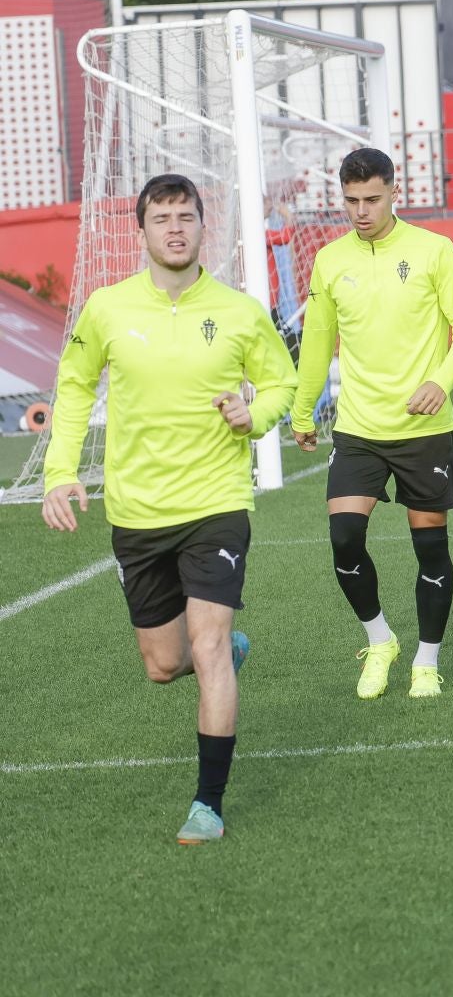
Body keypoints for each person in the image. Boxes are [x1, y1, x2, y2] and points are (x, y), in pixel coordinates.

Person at [41, 174, 297, 843]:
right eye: (162, 217)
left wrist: (256, 412)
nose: (175, 227)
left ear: (202, 226)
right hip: (137, 511)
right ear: (142, 230)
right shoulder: (106, 308)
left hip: (216, 502)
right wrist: (59, 474)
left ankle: (207, 804)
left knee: (207, 645)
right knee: (163, 664)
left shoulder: (240, 311)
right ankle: (222, 654)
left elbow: (281, 383)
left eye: (186, 215)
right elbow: (72, 390)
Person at [291, 147, 453, 701]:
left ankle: (426, 660)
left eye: (372, 199)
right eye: (351, 201)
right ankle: (380, 640)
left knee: (430, 550)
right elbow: (317, 344)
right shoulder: (329, 261)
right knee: (344, 537)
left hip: (424, 429)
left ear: (394, 193)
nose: (361, 210)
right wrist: (303, 413)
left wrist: (440, 381)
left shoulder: (433, 250)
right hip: (358, 429)